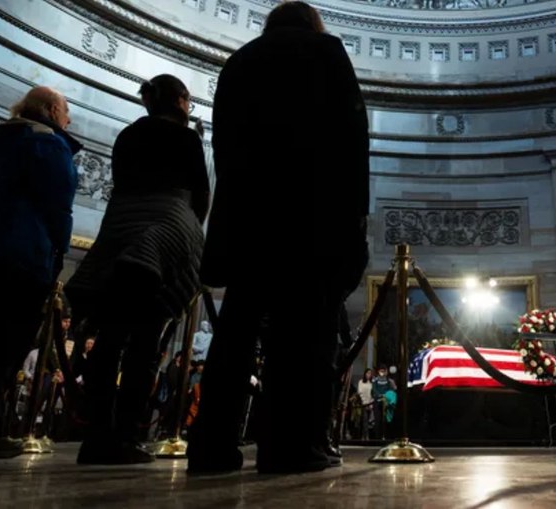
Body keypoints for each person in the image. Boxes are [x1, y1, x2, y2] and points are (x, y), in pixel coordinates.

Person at [187, 1, 369, 475]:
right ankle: (291, 447)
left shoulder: (239, 61)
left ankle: (211, 447)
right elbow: (352, 143)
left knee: (235, 333)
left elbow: (223, 150)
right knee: (304, 336)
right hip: (309, 217)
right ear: (314, 24)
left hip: (248, 219)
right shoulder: (327, 53)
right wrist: (355, 223)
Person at [65, 74, 210, 464]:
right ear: (180, 101)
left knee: (109, 338)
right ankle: (127, 435)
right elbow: (201, 194)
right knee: (145, 342)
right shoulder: (187, 139)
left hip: (119, 234)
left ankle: (96, 436)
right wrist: (189, 235)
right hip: (161, 239)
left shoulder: (128, 136)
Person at [0, 86, 79, 460]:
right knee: (7, 346)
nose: (68, 119)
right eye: (64, 111)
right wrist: (58, 253)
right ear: (49, 109)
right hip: (23, 258)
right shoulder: (48, 145)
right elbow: (59, 206)